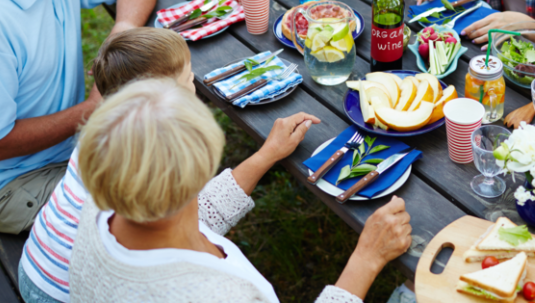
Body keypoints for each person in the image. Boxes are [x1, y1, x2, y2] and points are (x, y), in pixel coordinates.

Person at [18, 28, 323, 303]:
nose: (196, 86)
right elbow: (189, 220)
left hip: (37, 263)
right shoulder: (208, 291)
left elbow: (182, 217)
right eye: (189, 80)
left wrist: (266, 154)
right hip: (60, 290)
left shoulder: (108, 141)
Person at [69, 78, 412, 303]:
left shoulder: (102, 206)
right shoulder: (218, 295)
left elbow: (185, 215)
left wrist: (265, 156)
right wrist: (367, 259)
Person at [0, 0, 158, 235]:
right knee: (149, 211)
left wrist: (121, 31)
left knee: (168, 158)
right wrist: (90, 111)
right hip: (12, 182)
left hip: (71, 149)